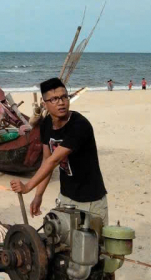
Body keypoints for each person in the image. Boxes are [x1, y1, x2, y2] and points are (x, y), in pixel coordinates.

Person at [10, 78, 108, 224]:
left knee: (92, 246)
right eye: (54, 99)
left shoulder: (80, 125)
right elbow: (46, 160)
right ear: (45, 104)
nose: (61, 102)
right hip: (65, 198)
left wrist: (27, 187)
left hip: (91, 200)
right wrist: (39, 195)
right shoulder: (46, 125)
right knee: (62, 243)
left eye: (64, 97)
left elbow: (53, 161)